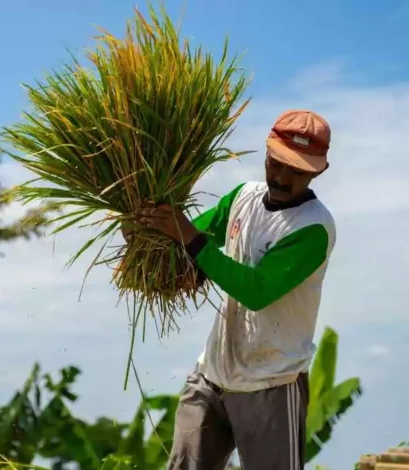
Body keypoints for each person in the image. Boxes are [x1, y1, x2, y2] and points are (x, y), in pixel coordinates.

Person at [124, 109, 336, 470]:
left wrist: (188, 237)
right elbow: (187, 243)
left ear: (318, 171)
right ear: (266, 152)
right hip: (212, 375)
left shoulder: (312, 228)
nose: (282, 177)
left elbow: (255, 291)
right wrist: (142, 229)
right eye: (276, 164)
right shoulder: (244, 197)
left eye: (297, 171)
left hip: (271, 382)